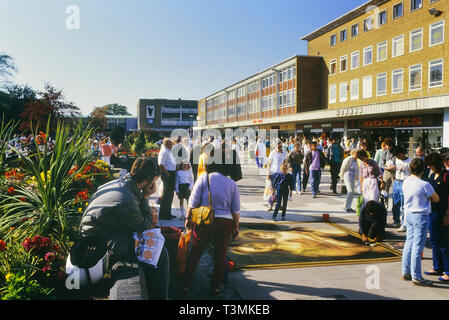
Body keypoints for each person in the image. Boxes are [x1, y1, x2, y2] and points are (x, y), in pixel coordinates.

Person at [79, 157, 170, 299]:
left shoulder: (122, 184)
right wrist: (146, 196)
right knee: (158, 253)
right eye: (154, 180)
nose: (154, 183)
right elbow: (145, 225)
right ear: (147, 179)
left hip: (103, 230)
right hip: (98, 241)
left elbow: (134, 213)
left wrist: (142, 202)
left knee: (153, 248)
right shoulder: (125, 199)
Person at [182, 146, 240, 296]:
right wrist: (236, 227)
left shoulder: (204, 178)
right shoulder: (231, 184)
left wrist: (188, 218)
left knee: (195, 253)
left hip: (205, 221)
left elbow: (192, 202)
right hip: (225, 222)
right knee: (220, 257)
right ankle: (214, 287)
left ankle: (185, 284)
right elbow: (236, 209)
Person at [401, 158, 439, 286]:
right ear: (423, 170)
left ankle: (406, 271)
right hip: (421, 216)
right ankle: (416, 276)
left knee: (409, 243)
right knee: (418, 246)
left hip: (409, 214)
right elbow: (436, 198)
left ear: (411, 168)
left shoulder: (406, 181)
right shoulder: (424, 185)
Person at [423, 152, 449, 282]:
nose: (429, 167)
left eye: (431, 165)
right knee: (434, 240)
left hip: (443, 213)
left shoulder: (446, 176)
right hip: (432, 213)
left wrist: (447, 215)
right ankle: (437, 267)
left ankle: (448, 270)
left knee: (444, 242)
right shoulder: (432, 175)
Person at [393, 147, 411, 232]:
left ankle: (404, 224)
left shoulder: (410, 161)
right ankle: (396, 220)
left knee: (404, 204)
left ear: (402, 153)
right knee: (395, 203)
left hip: (405, 182)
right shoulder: (396, 160)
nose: (397, 157)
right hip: (397, 181)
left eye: (398, 155)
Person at [158, 138, 177, 220]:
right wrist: (167, 173)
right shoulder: (164, 151)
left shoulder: (168, 151)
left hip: (171, 173)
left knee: (170, 195)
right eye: (171, 144)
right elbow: (161, 164)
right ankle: (163, 214)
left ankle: (168, 213)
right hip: (167, 174)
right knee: (166, 195)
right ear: (167, 144)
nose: (172, 145)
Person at [266, 141, 287, 210]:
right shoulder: (272, 153)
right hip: (273, 173)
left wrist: (285, 172)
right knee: (272, 190)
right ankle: (270, 205)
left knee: (279, 190)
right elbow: (269, 164)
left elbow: (285, 163)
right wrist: (268, 174)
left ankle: (278, 204)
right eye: (278, 146)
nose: (280, 148)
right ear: (275, 146)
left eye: (281, 146)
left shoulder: (283, 154)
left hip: (281, 174)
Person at [380, 138, 396, 210]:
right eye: (386, 146)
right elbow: (381, 163)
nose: (387, 147)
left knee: (395, 190)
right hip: (386, 172)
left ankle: (395, 206)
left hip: (395, 172)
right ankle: (385, 204)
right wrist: (386, 167)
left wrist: (394, 167)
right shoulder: (385, 152)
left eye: (388, 146)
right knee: (385, 189)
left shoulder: (396, 152)